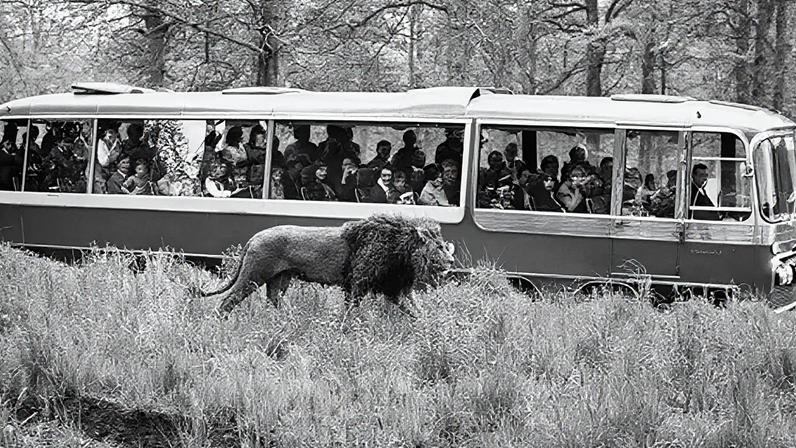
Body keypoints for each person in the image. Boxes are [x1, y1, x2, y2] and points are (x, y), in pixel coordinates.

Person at [94, 125, 122, 194]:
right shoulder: (101, 142)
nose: (109, 135)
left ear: (116, 134)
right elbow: (103, 162)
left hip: (113, 170)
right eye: (108, 132)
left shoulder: (119, 144)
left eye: (112, 132)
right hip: (101, 170)